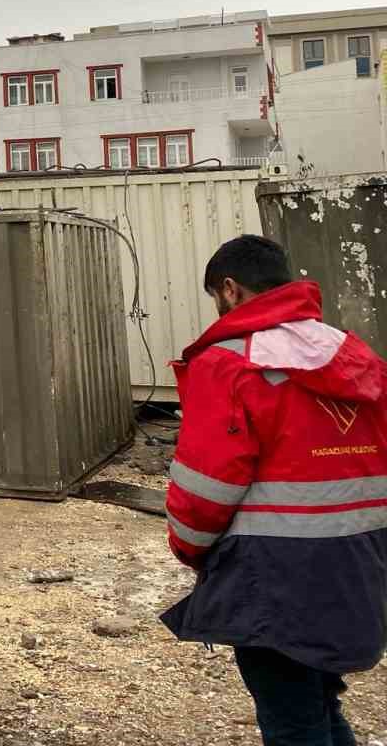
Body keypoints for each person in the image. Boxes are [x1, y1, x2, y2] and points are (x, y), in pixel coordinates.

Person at [163, 234, 387, 745]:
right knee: (316, 706)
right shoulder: (351, 353)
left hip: (274, 574)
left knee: (293, 723)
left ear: (230, 289)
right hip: (360, 564)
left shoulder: (227, 361)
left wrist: (189, 548)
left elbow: (206, 488)